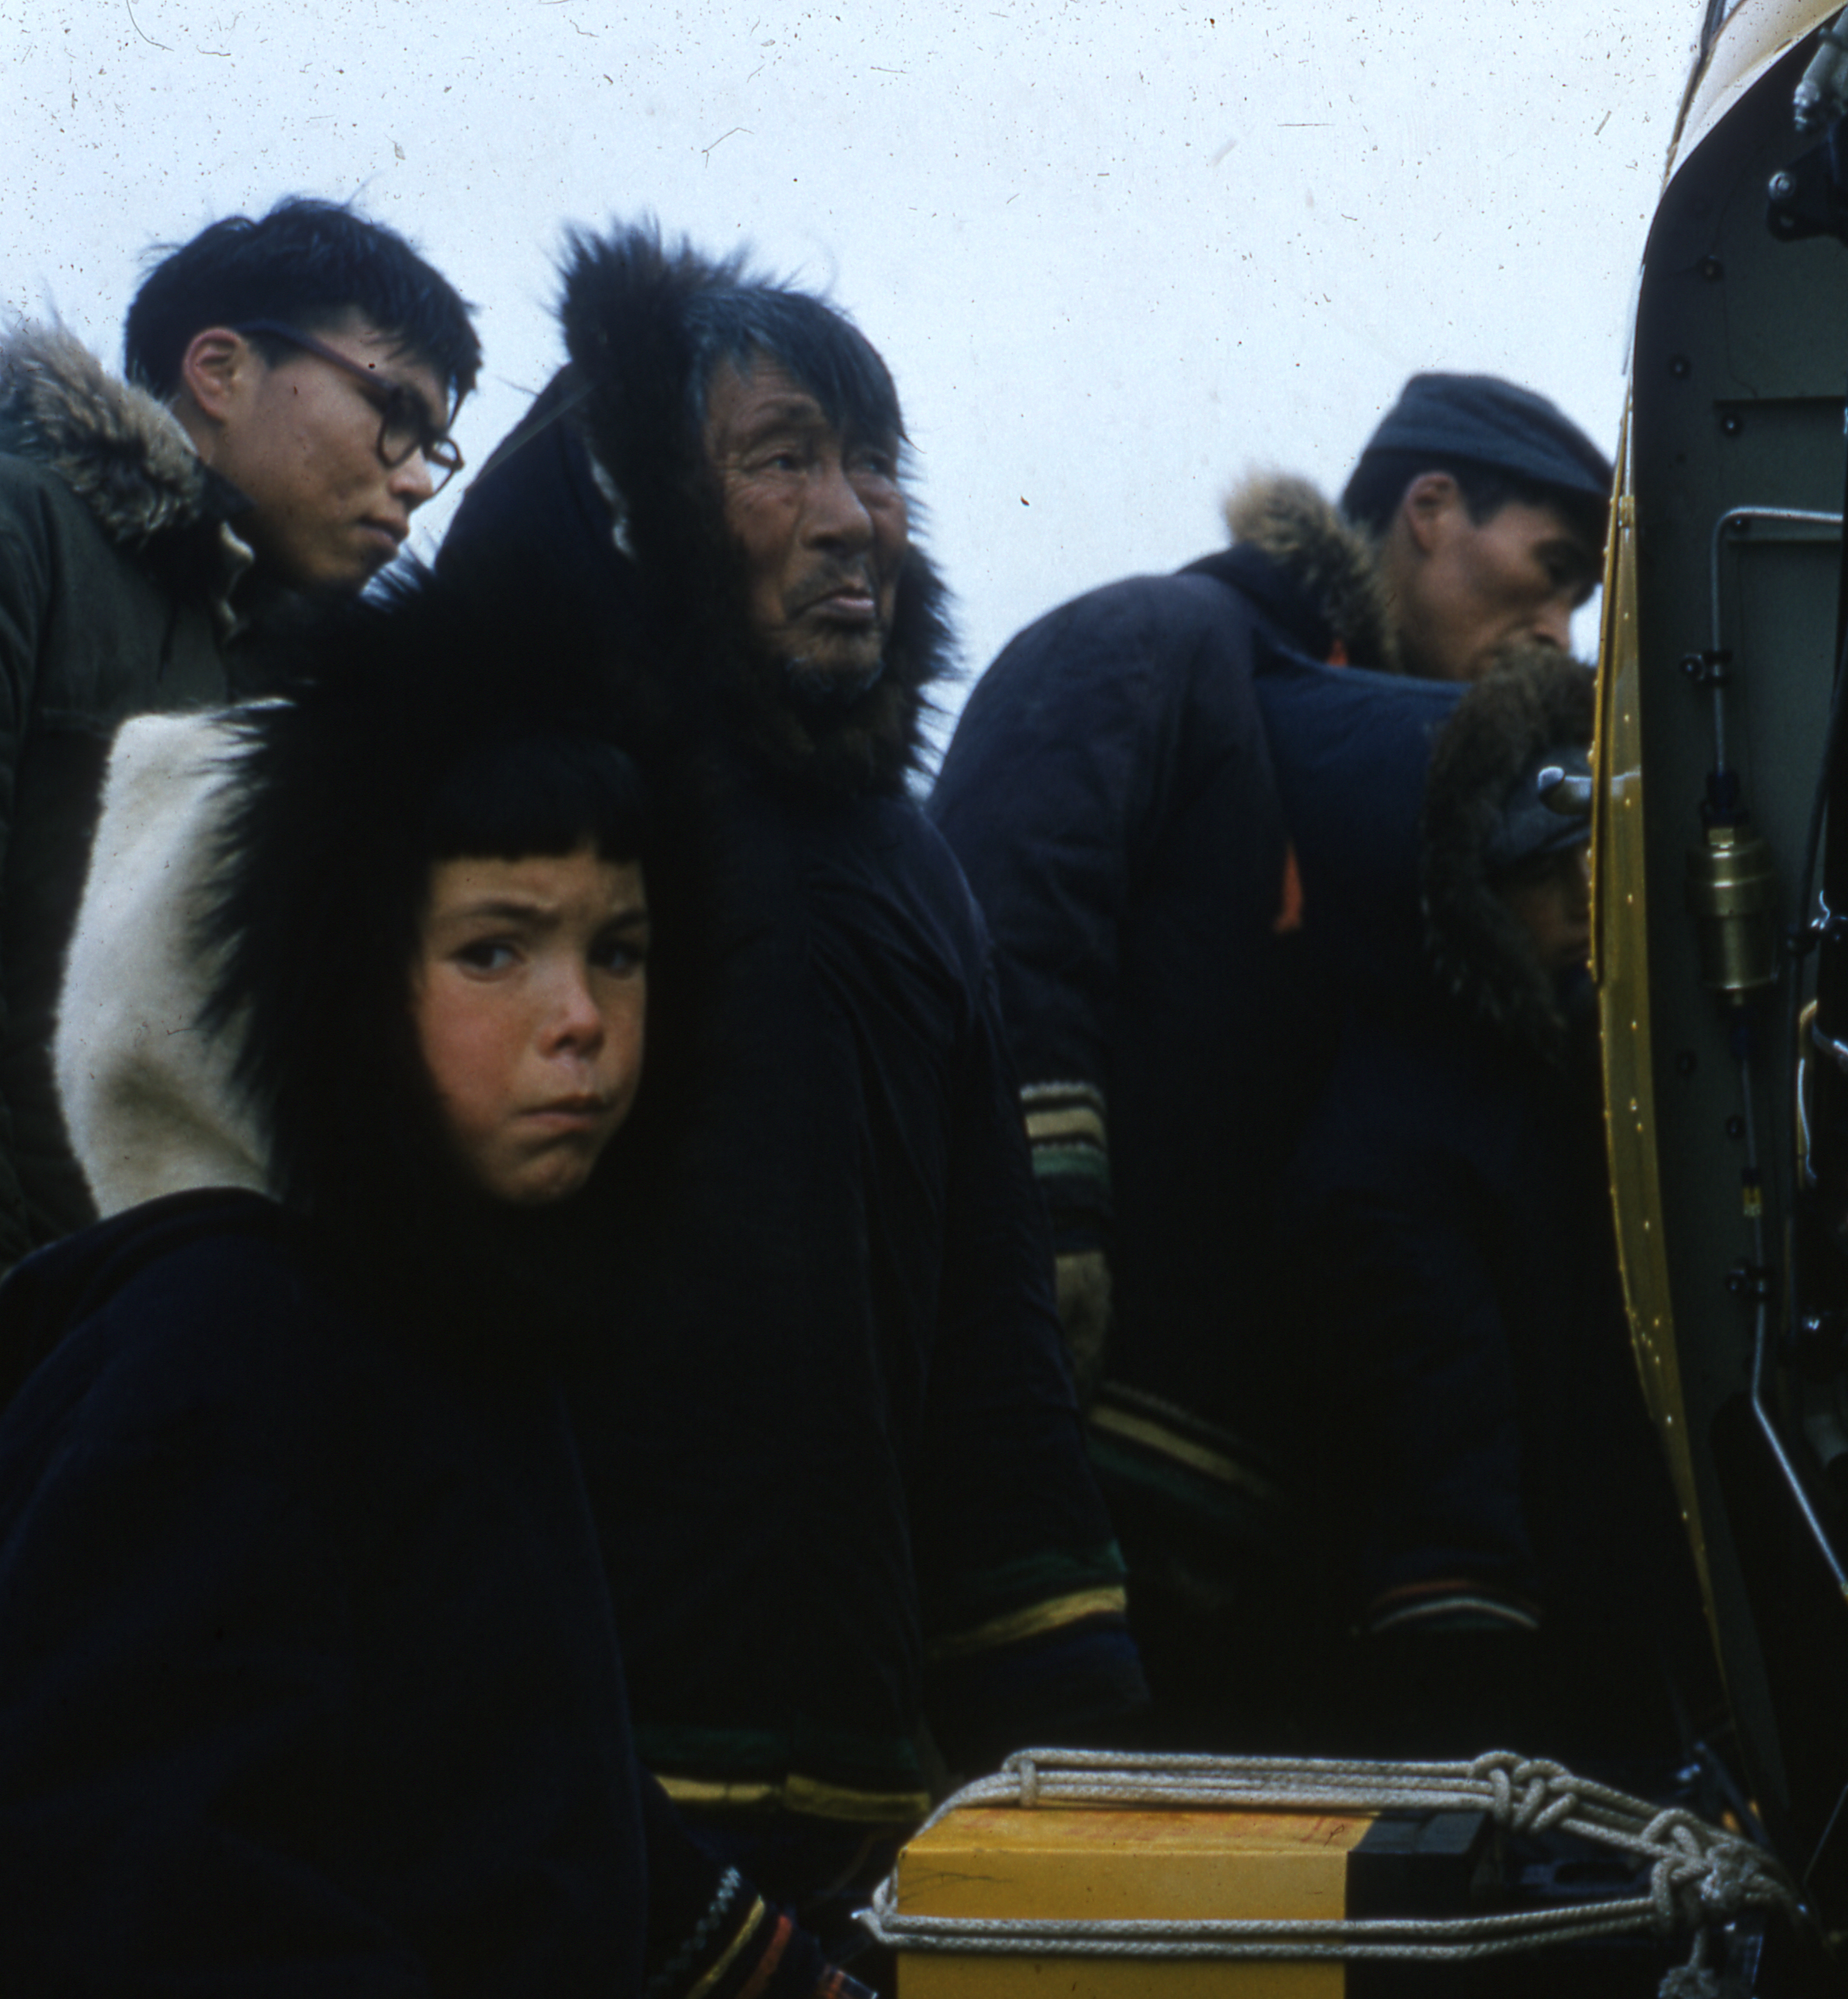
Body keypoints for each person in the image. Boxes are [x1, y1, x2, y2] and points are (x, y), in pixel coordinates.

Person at [58, 224, 1142, 1917]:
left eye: (875, 462)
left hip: (849, 1796)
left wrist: (1068, 1738)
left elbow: (991, 1339)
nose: (859, 514)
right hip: (532, 1771)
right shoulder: (511, 823)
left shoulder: (913, 871)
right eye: (784, 458)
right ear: (639, 501)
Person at [0, 566, 863, 1997]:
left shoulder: (457, 1318)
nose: (580, 1019)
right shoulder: (225, 1344)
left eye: (622, 949)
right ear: (321, 990)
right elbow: (123, 1872)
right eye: (494, 950)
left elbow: (523, 1770)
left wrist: (765, 1966)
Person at [926, 374, 1611, 1735]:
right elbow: (1013, 918)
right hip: (1101, 1493)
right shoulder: (1168, 635)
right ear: (1429, 509)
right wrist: (1044, 1264)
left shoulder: (1405, 811)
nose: (1557, 630)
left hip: (1278, 1538)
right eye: (1550, 572)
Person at [0, 198, 475, 1261]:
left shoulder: (322, 687)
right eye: (393, 409)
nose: (411, 476)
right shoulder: (23, 532)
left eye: (436, 449)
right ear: (219, 371)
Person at [1273, 653, 1706, 1766]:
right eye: (1535, 866)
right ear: (1463, 888)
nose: (1581, 901)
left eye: (1591, 859)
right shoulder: (1396, 1140)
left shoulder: (1546, 1087)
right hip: (1507, 1730)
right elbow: (1447, 1526)